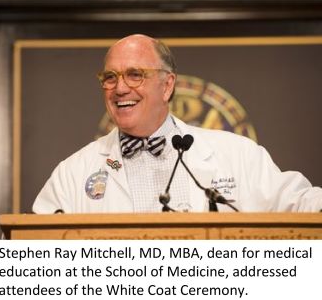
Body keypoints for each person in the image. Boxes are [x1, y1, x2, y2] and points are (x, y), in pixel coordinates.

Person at [32, 34, 322, 214]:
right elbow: (31, 247)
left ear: (167, 85)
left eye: (135, 75)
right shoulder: (72, 173)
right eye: (110, 77)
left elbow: (301, 206)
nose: (120, 88)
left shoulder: (238, 155)